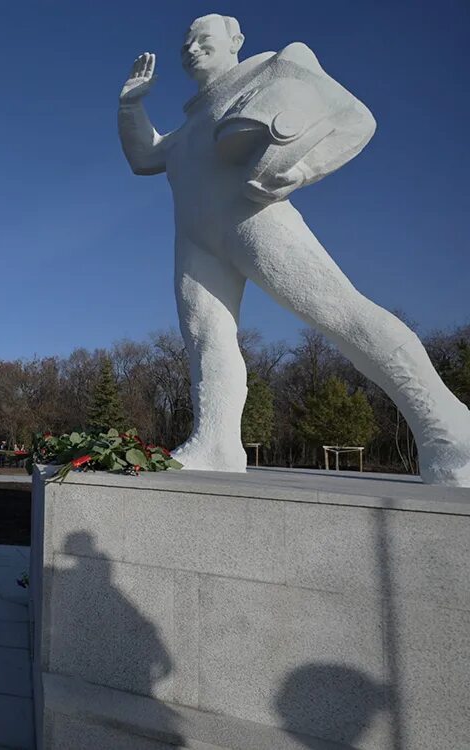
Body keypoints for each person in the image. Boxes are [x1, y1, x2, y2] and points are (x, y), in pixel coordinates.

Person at [118, 14, 470, 485]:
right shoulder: (189, 126)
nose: (191, 49)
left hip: (256, 220)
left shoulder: (274, 70)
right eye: (186, 43)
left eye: (204, 39)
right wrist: (131, 108)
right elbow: (145, 156)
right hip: (196, 243)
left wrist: (305, 169)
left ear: (235, 42)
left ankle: (447, 426)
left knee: (342, 316)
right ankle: (216, 442)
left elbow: (355, 119)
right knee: (207, 340)